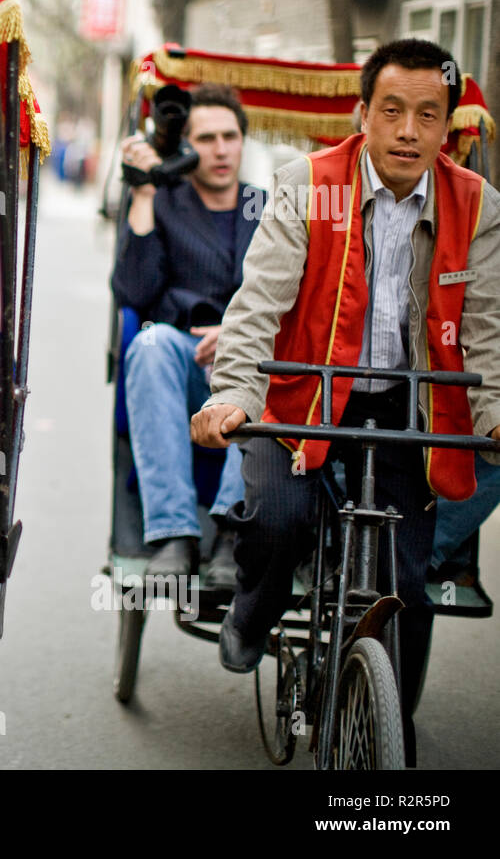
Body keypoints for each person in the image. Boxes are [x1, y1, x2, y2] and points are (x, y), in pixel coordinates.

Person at [191, 39, 500, 761]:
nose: (407, 132)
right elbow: (256, 305)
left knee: (410, 589)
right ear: (363, 114)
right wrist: (235, 394)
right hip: (300, 399)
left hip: (410, 411)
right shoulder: (306, 183)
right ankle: (252, 615)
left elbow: (485, 330)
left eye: (428, 116)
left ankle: (389, 729)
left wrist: (493, 412)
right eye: (391, 111)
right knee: (280, 518)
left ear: (447, 126)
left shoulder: (477, 205)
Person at [112, 84, 265, 586]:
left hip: (250, 360)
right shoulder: (166, 200)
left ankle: (230, 532)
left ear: (243, 141)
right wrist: (143, 193)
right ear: (184, 146)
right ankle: (175, 536)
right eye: (205, 138)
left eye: (229, 136)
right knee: (149, 342)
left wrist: (238, 333)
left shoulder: (269, 208)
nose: (220, 150)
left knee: (262, 364)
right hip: (180, 360)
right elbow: (134, 291)